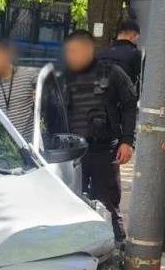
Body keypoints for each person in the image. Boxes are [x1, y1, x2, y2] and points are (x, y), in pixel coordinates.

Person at [61, 30, 137, 241]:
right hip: (73, 154)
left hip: (104, 150)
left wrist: (128, 141)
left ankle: (117, 246)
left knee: (108, 203)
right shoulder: (63, 77)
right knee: (74, 202)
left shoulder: (112, 73)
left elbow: (130, 105)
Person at [0, 40, 39, 141]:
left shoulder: (30, 75)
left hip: (31, 144)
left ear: (3, 56)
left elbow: (48, 98)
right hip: (8, 146)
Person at [101, 19, 142, 95]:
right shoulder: (135, 54)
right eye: (137, 38)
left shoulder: (103, 53)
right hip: (123, 101)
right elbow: (141, 81)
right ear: (132, 35)